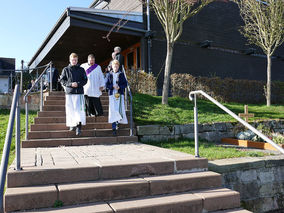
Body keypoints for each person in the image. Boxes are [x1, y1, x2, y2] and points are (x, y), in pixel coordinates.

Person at [59, 53, 87, 136]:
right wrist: (70, 84)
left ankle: (79, 127)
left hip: (79, 93)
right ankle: (72, 125)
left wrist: (78, 84)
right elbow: (62, 80)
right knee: (70, 110)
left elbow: (85, 80)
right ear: (70, 60)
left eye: (75, 60)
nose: (74, 61)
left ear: (77, 60)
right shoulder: (65, 69)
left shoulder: (81, 69)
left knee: (79, 110)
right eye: (72, 60)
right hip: (70, 93)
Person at [105, 59, 128, 136]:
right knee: (113, 109)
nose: (115, 67)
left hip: (119, 94)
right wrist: (112, 86)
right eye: (114, 66)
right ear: (112, 66)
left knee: (118, 108)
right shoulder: (109, 74)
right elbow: (106, 85)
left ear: (118, 67)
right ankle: (113, 126)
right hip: (112, 94)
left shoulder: (121, 74)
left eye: (117, 66)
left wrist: (119, 87)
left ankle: (118, 122)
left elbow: (125, 84)